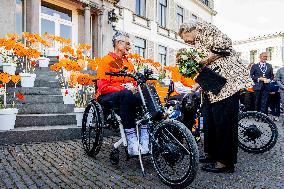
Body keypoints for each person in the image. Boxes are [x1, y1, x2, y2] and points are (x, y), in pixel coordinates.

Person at [178, 20, 252, 173]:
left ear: (188, 30)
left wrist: (205, 60)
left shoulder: (204, 28)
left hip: (226, 84)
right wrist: (196, 85)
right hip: (212, 86)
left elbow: (226, 44)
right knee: (210, 120)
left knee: (224, 123)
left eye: (184, 37)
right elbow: (205, 67)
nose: (185, 41)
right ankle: (212, 154)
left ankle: (225, 162)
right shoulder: (197, 42)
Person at [96, 31, 148, 156]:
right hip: (107, 96)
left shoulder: (128, 63)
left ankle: (145, 139)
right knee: (126, 94)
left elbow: (134, 81)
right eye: (127, 44)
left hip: (126, 95)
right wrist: (123, 88)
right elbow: (102, 87)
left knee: (146, 94)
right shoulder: (106, 61)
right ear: (119, 44)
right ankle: (132, 143)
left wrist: (136, 87)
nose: (129, 47)